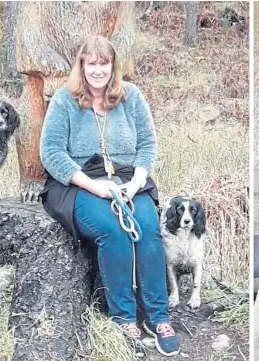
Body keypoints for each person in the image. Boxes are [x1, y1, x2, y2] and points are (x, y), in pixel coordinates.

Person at [38, 35, 180, 357]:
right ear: (82, 66)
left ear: (113, 66)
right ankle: (124, 317)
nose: (99, 70)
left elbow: (147, 144)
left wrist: (135, 182)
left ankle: (158, 317)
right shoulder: (64, 101)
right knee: (114, 231)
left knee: (147, 230)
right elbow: (51, 151)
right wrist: (94, 185)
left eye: (105, 63)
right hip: (79, 183)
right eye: (92, 63)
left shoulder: (132, 98)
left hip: (129, 179)